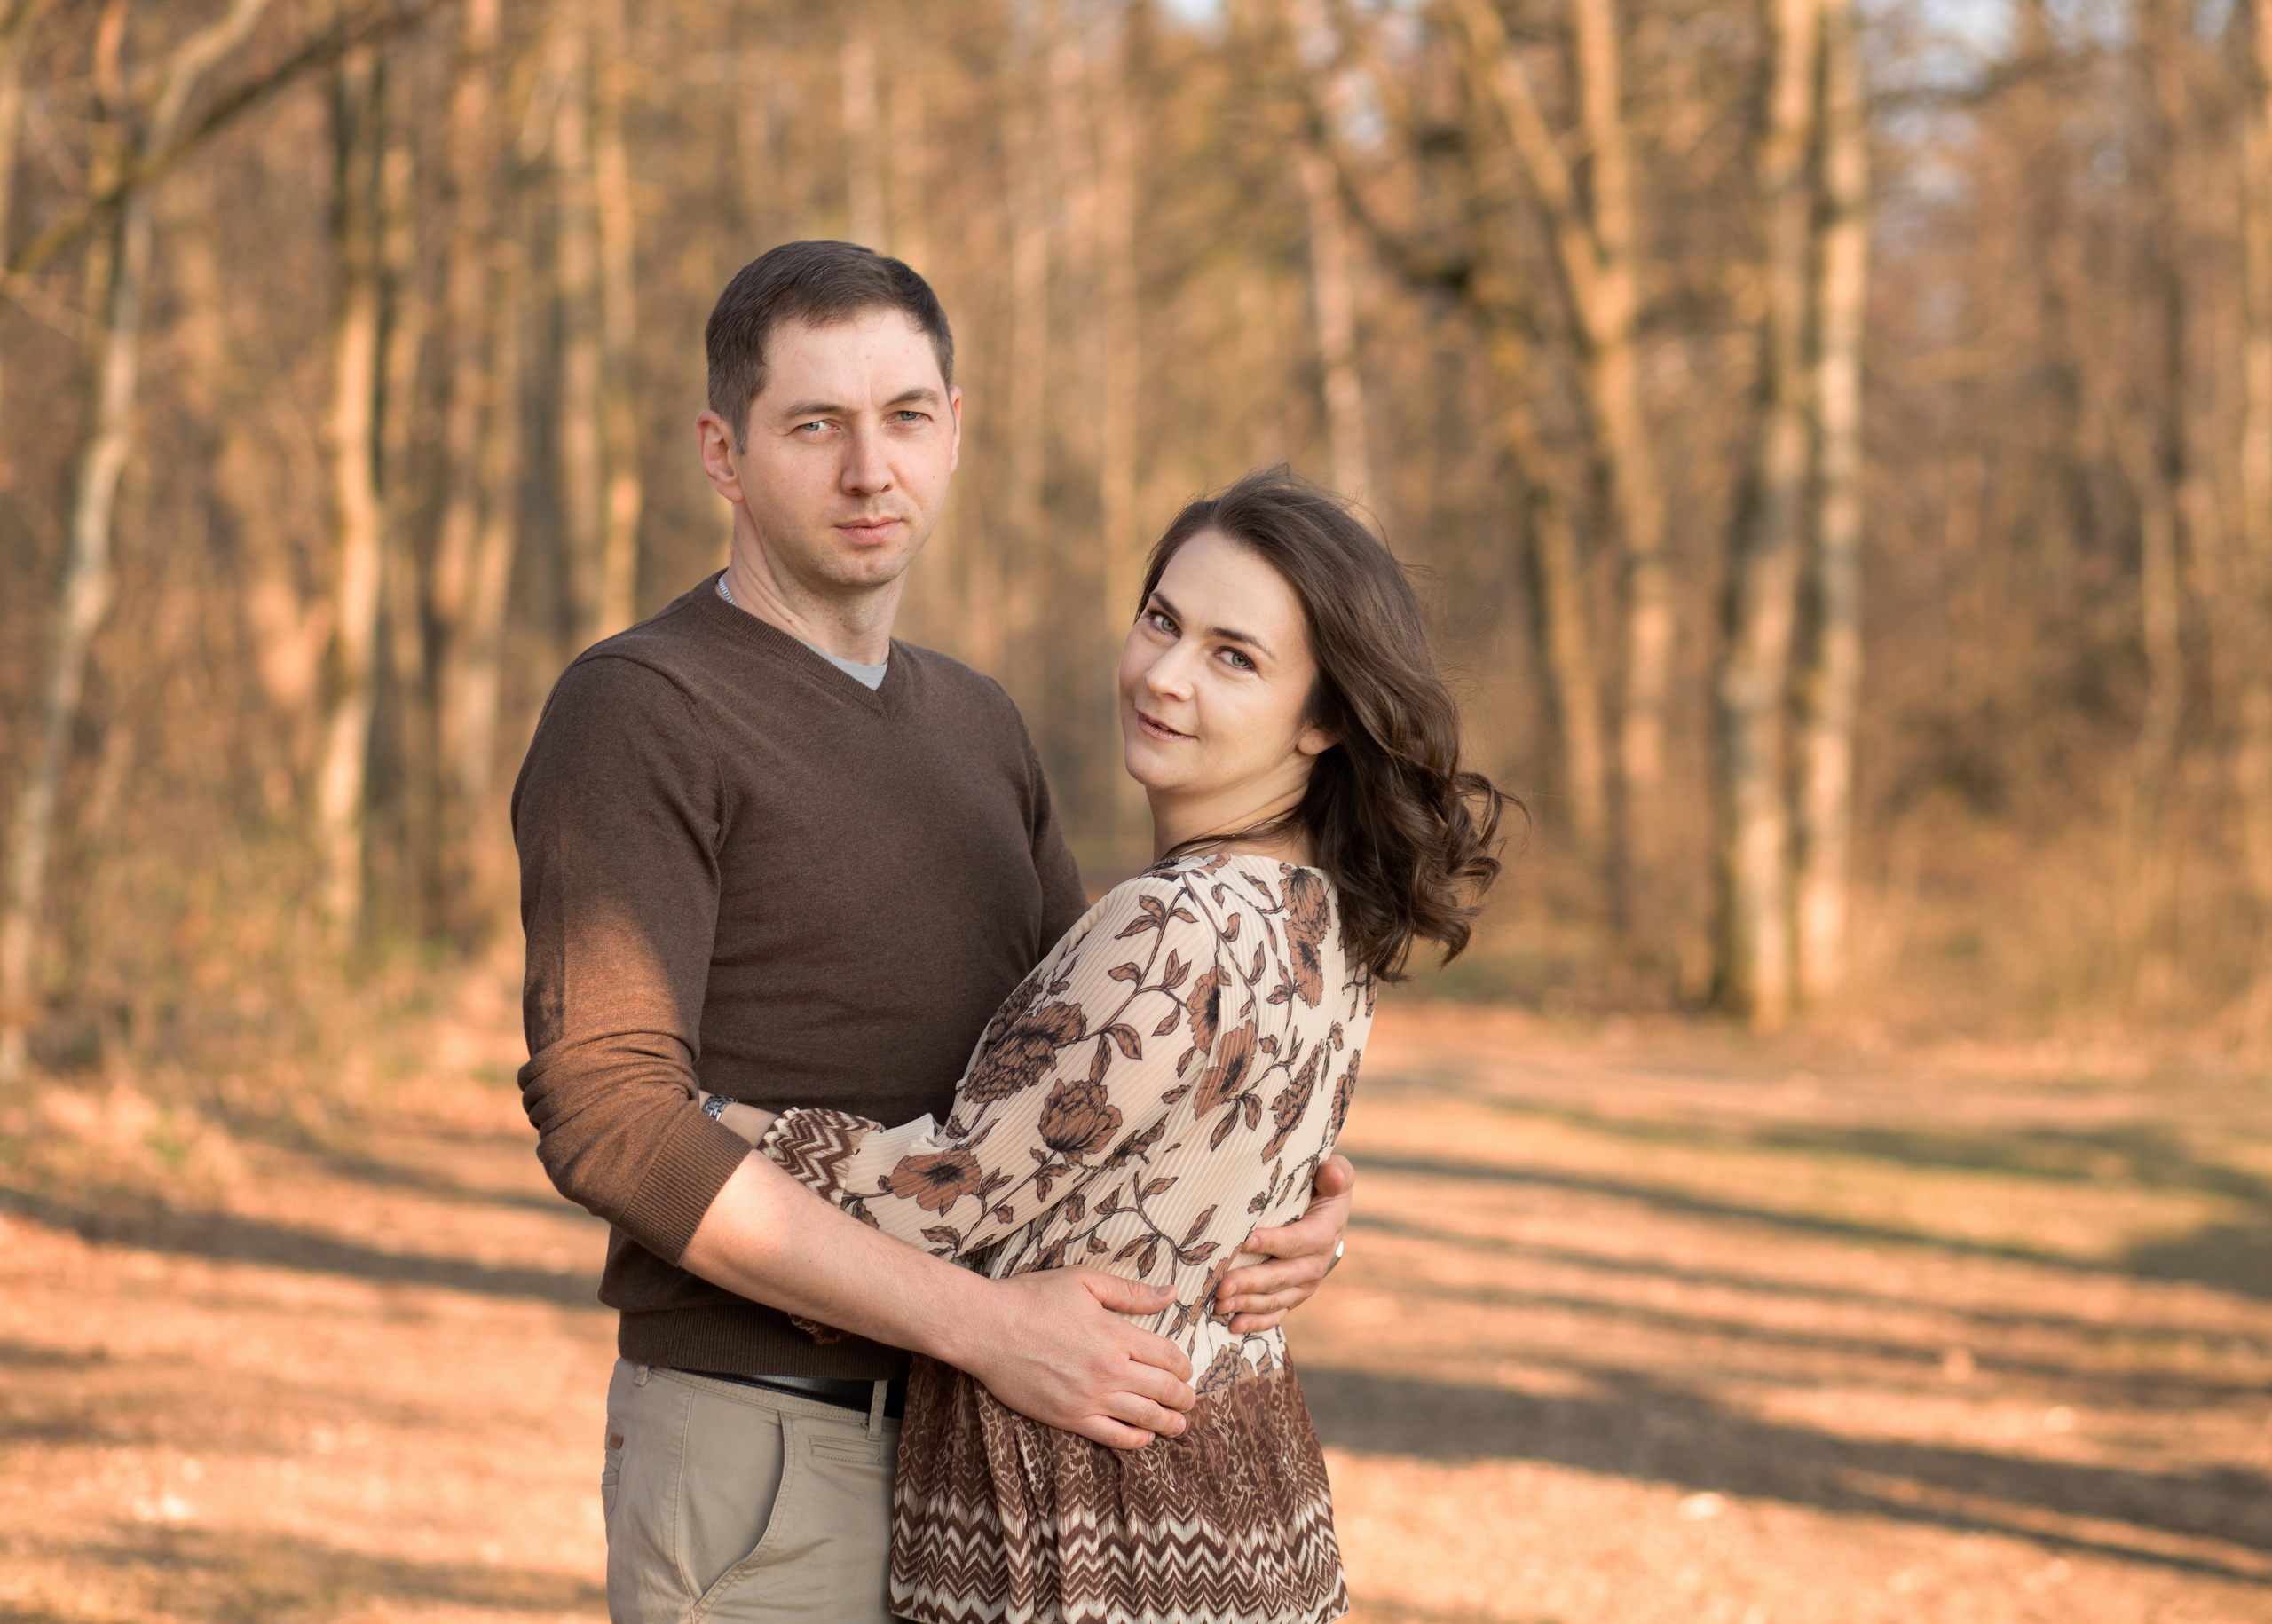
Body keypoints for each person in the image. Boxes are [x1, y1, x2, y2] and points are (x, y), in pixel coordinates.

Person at [511, 241, 1358, 1623]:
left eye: (906, 416)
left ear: (955, 432)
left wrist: (1290, 1202)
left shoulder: (981, 723)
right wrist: (985, 1326)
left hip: (1006, 1465)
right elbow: (609, 1117)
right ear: (723, 453)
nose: (869, 470)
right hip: (778, 1448)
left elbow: (1100, 1079)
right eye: (814, 425)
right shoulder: (641, 709)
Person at [701, 470, 1509, 1624]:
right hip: (1243, 1494)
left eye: (1235, 656)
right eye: (1162, 621)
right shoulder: (1319, 918)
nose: (1166, 675)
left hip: (1088, 1513)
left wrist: (683, 1116)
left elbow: (936, 1198)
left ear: (1322, 716)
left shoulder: (1171, 926)